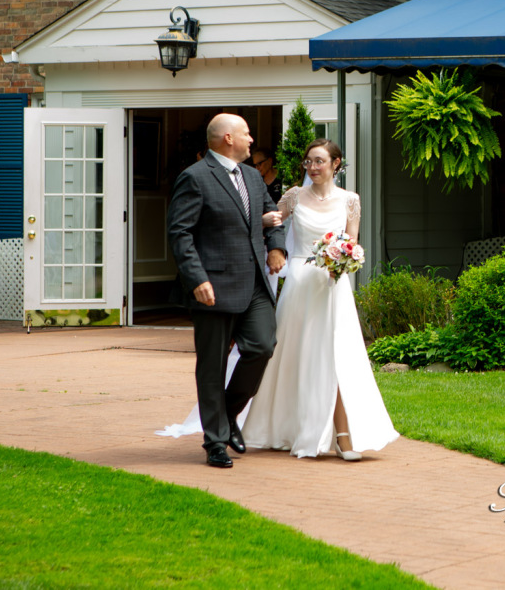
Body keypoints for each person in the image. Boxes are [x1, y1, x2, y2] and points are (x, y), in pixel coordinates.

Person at [242, 139, 399, 460]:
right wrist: (257, 233)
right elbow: (268, 223)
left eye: (319, 161)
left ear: (335, 164)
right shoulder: (294, 196)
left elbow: (352, 243)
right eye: (308, 162)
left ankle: (343, 435)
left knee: (335, 355)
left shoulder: (350, 201)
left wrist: (342, 261)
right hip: (299, 282)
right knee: (295, 355)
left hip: (332, 285)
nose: (312, 168)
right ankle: (290, 427)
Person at [166, 113, 286, 469]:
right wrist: (196, 278)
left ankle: (229, 413)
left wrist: (276, 247)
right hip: (213, 287)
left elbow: (271, 216)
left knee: (263, 346)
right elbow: (180, 233)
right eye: (247, 134)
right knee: (212, 367)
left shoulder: (252, 176)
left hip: (254, 285)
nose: (253, 140)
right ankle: (215, 442)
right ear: (228, 138)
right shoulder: (195, 177)